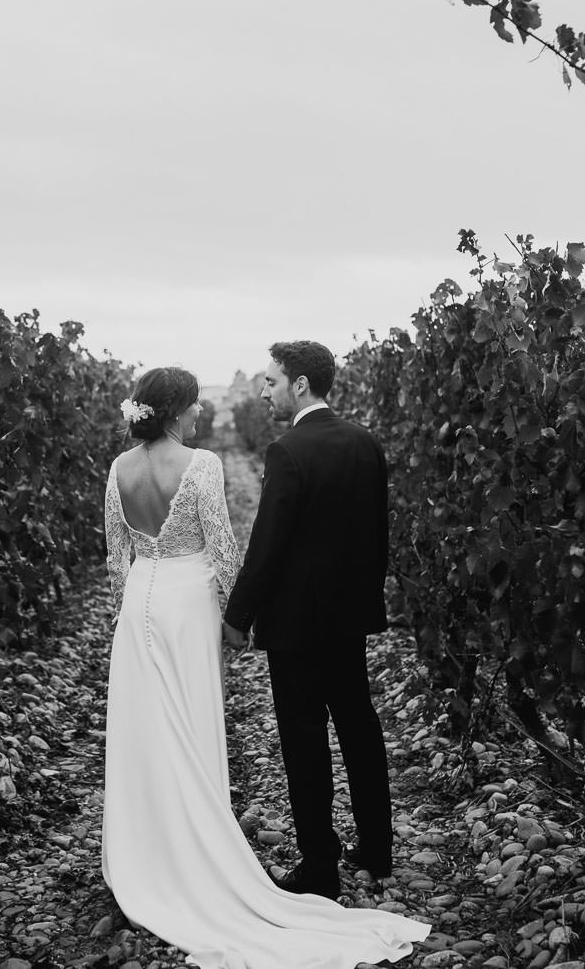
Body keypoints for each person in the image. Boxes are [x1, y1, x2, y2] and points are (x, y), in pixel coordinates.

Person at [101, 365, 427, 969]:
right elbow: (223, 549)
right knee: (196, 728)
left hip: (140, 606)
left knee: (145, 731)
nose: (204, 415)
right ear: (174, 412)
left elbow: (116, 558)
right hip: (189, 605)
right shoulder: (201, 465)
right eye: (196, 406)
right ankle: (218, 853)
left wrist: (144, 604)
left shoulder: (119, 470)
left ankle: (149, 855)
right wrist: (229, 617)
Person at [221, 341, 396, 901]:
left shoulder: (287, 451)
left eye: (270, 381)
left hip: (297, 626)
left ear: (299, 385)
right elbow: (377, 537)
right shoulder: (366, 443)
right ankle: (377, 849)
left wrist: (237, 617)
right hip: (349, 621)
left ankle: (320, 864)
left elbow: (266, 545)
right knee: (360, 729)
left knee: (304, 743)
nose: (264, 391)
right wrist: (366, 602)